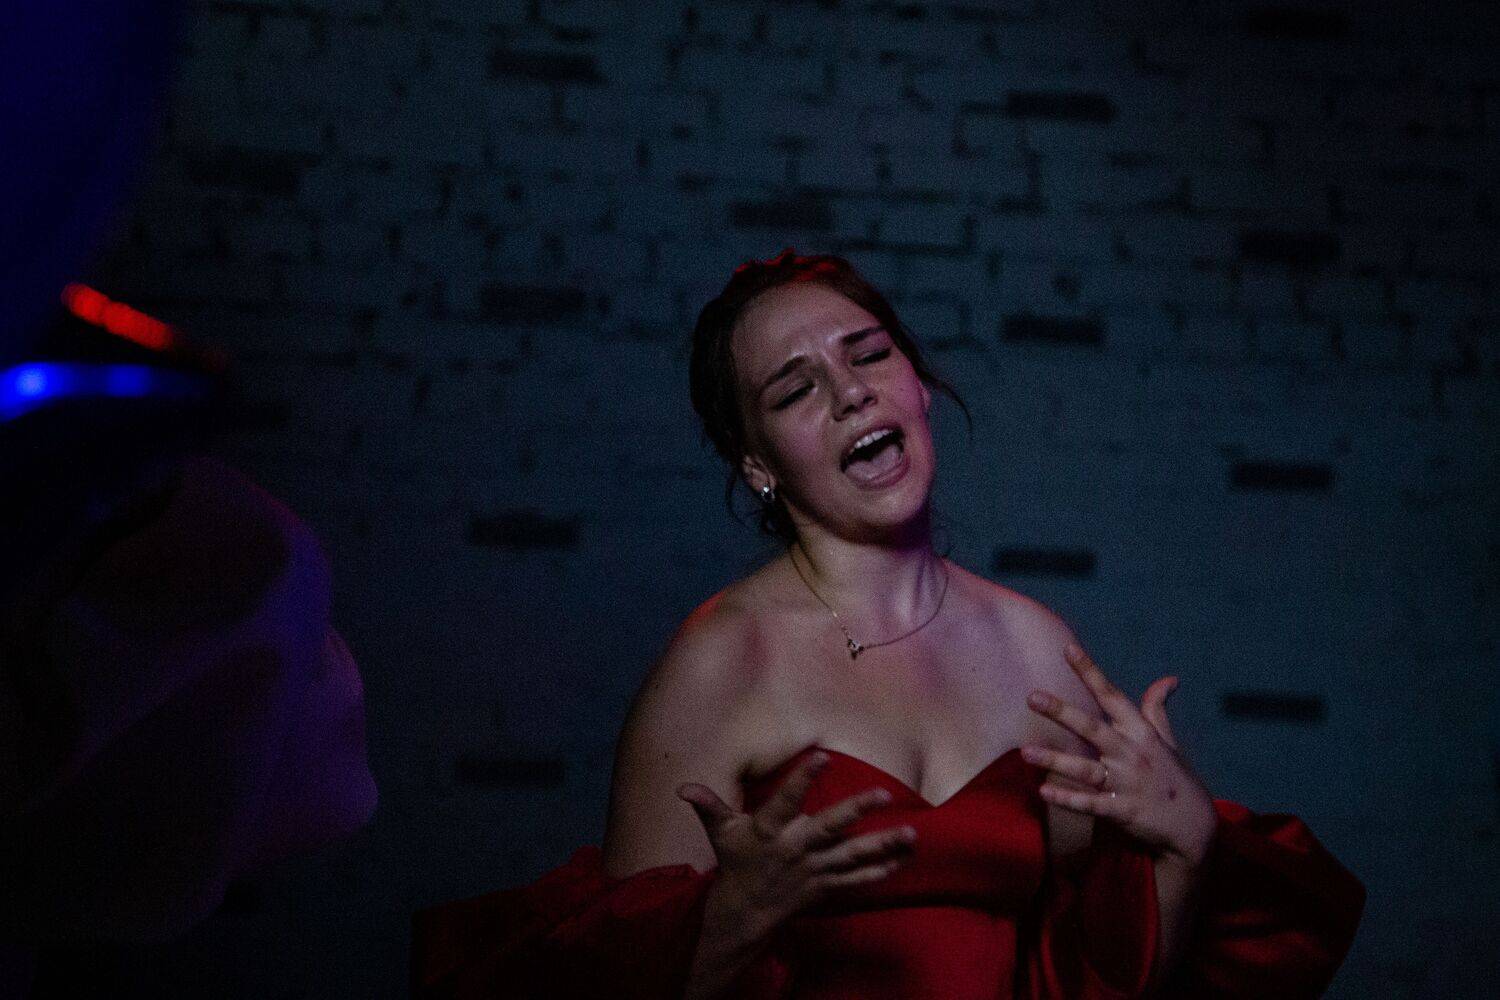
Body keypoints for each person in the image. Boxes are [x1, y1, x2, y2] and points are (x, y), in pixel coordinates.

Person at [411, 249, 1366, 999]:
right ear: (758, 465)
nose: (850, 391)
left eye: (868, 354)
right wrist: (720, 931)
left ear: (916, 382)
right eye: (795, 390)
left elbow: (1091, 981)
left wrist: (1182, 851)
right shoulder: (719, 663)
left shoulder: (1034, 644)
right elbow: (603, 986)